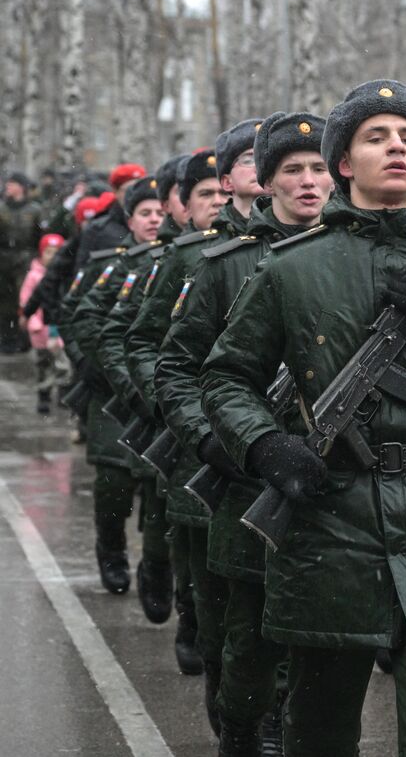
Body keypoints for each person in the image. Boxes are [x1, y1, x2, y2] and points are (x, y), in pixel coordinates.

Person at [201, 80, 406, 757]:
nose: (398, 149)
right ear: (344, 163)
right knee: (319, 732)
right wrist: (265, 445)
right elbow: (225, 375)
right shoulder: (291, 269)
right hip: (327, 521)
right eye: (377, 137)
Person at [157, 112, 334, 755]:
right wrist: (215, 441)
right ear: (265, 181)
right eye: (293, 170)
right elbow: (176, 367)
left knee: (317, 641)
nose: (309, 182)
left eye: (319, 168)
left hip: (329, 476)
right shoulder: (223, 264)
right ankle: (240, 731)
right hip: (248, 474)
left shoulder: (352, 260)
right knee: (248, 638)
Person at [129, 144, 232, 682]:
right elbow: (142, 341)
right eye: (205, 194)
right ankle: (191, 616)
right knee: (195, 543)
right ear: (184, 206)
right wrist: (170, 403)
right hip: (195, 428)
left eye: (222, 191)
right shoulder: (188, 259)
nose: (217, 201)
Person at [65, 176, 167, 596]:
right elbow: (75, 316)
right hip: (111, 395)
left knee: (156, 492)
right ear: (130, 219)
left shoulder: (171, 262)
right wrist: (90, 364)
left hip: (155, 396)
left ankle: (155, 566)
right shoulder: (112, 266)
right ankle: (111, 551)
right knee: (113, 487)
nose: (154, 220)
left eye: (160, 213)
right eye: (146, 213)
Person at [19, 233, 71, 413]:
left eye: (57, 252)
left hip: (59, 328)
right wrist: (32, 321)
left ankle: (64, 392)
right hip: (40, 330)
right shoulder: (34, 276)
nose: (53, 257)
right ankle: (44, 393)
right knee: (43, 363)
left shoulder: (66, 276)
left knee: (63, 362)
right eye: (49, 252)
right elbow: (27, 300)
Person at [0, 171, 43, 351]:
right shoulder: (1, 209)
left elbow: (39, 236)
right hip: (3, 259)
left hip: (26, 259)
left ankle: (24, 340)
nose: (8, 186)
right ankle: (6, 339)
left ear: (22, 188)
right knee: (4, 300)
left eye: (12, 183)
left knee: (24, 299)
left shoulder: (34, 210)